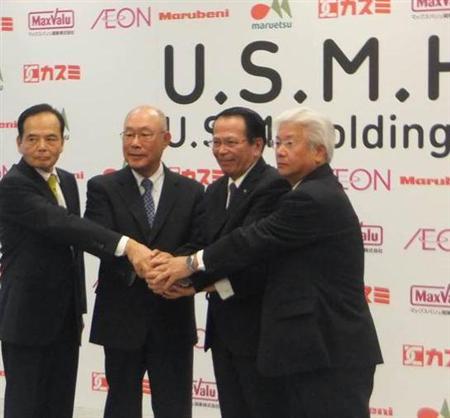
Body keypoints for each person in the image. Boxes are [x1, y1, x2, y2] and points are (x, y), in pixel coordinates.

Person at [147, 107, 383, 418]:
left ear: (319, 152)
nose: (280, 152)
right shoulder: (306, 190)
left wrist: (189, 265)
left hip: (330, 350)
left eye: (290, 144)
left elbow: (251, 241)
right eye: (279, 143)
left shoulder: (311, 197)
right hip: (313, 349)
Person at [0, 103, 154, 418]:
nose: (42, 146)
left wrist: (78, 308)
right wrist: (127, 245)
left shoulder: (67, 181)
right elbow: (62, 224)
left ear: (62, 142)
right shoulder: (13, 185)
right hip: (26, 319)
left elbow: (74, 248)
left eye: (50, 138)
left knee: (60, 405)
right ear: (19, 142)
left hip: (65, 320)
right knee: (25, 406)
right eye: (32, 139)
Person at [168, 107, 290, 418]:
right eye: (216, 142)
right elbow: (202, 245)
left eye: (231, 142)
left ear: (257, 145)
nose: (221, 150)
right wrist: (165, 265)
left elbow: (253, 258)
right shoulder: (215, 190)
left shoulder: (273, 186)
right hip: (223, 332)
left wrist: (196, 282)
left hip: (260, 332)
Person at [84, 105, 204, 418]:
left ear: (166, 139)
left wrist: (174, 263)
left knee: (174, 407)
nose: (135, 143)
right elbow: (98, 237)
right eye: (129, 135)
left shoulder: (191, 191)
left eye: (144, 135)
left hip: (172, 316)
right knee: (121, 406)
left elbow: (200, 241)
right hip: (121, 316)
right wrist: (141, 265)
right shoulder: (102, 187)